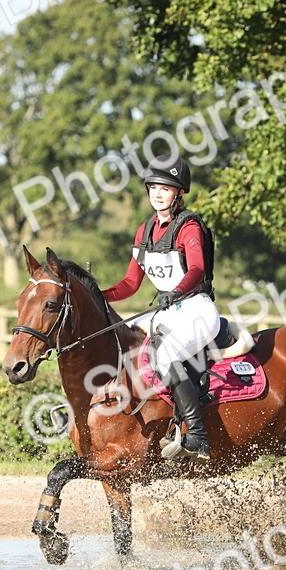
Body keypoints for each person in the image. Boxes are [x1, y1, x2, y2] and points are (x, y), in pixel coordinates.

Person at [101, 155, 218, 460]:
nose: (157, 193)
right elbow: (130, 283)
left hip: (196, 309)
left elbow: (197, 269)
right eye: (153, 187)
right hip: (168, 311)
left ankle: (198, 436)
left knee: (165, 355)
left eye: (165, 188)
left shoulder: (188, 226)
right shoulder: (144, 231)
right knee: (127, 345)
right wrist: (99, 295)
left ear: (179, 193)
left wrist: (176, 291)